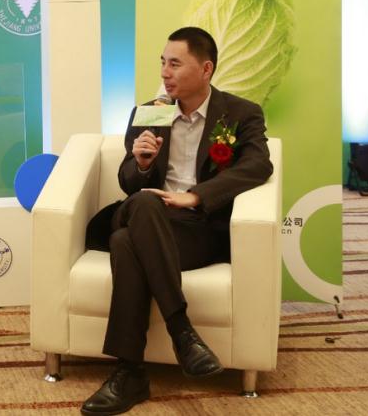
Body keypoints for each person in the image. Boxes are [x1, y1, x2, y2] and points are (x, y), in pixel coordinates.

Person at [80, 27, 273, 415]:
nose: (165, 73)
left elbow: (258, 165)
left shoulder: (240, 113)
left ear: (206, 69)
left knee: (125, 243)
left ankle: (130, 373)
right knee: (144, 203)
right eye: (163, 63)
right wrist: (141, 163)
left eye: (175, 64)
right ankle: (182, 333)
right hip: (147, 211)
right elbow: (129, 181)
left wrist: (197, 195)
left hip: (197, 229)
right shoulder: (150, 112)